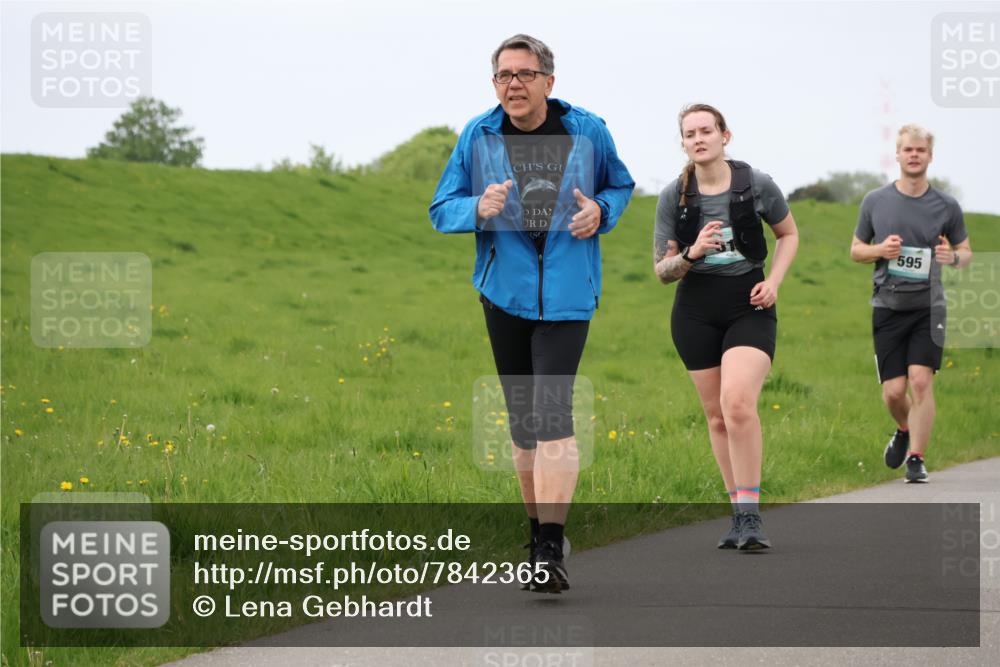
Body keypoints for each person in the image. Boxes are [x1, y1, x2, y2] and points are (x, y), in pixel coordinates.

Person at [429, 34, 634, 592]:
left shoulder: (586, 130)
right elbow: (440, 208)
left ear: (549, 79)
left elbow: (620, 184)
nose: (513, 85)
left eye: (523, 74)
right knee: (524, 429)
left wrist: (602, 210)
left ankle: (549, 549)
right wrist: (476, 207)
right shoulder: (479, 134)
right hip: (505, 296)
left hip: (568, 296)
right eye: (503, 75)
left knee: (552, 414)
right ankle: (536, 534)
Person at [653, 104, 798, 550]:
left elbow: (788, 234)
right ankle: (736, 513)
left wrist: (773, 281)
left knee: (737, 403)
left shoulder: (756, 184)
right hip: (695, 310)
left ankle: (752, 515)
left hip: (748, 305)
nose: (698, 139)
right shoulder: (673, 196)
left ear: (724, 136)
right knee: (716, 416)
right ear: (683, 143)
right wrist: (694, 252)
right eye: (689, 133)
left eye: (706, 131)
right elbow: (663, 271)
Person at [851, 124, 971, 483]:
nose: (914, 155)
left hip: (928, 307)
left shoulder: (947, 206)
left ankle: (916, 458)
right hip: (887, 307)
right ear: (898, 155)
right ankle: (904, 429)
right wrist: (879, 250)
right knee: (894, 392)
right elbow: (856, 250)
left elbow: (966, 254)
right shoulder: (875, 201)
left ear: (929, 156)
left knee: (920, 383)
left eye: (921, 150)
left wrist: (952, 256)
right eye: (908, 150)